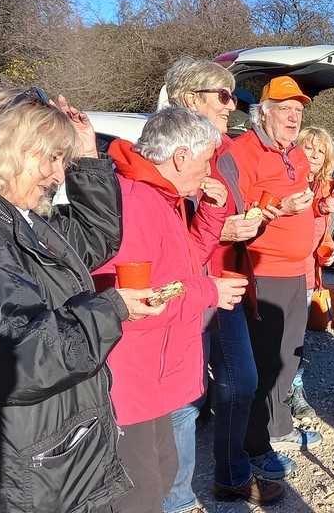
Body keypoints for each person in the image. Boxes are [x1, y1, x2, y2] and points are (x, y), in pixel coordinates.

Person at [0, 87, 163, 512]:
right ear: (5, 149)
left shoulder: (7, 215)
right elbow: (22, 357)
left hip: (52, 457)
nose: (59, 175)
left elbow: (92, 242)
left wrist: (88, 157)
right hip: (29, 475)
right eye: (51, 158)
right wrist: (111, 310)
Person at [93, 106, 248, 513]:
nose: (208, 171)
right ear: (181, 157)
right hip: (132, 378)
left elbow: (183, 262)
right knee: (137, 494)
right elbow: (137, 301)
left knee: (162, 475)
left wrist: (211, 212)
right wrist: (208, 290)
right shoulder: (135, 202)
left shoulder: (161, 196)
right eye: (205, 160)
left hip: (154, 375)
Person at [162, 57, 283, 506]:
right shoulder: (165, 149)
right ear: (189, 98)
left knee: (241, 381)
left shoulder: (223, 151)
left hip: (225, 284)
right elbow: (160, 226)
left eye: (233, 96)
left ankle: (231, 475)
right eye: (224, 95)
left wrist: (253, 220)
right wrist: (221, 228)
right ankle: (176, 500)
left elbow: (229, 211)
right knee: (185, 400)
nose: (232, 105)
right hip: (183, 288)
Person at [231, 76, 323, 479]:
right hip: (263, 270)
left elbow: (301, 202)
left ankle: (279, 427)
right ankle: (254, 446)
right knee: (262, 362)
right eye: (284, 109)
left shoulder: (295, 153)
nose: (293, 117)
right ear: (263, 113)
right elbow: (233, 216)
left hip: (296, 270)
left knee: (289, 357)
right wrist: (279, 210)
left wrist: (317, 209)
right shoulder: (244, 152)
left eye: (298, 110)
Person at [292, 126, 334, 419]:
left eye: (320, 151)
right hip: (281, 271)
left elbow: (323, 232)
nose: (314, 154)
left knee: (297, 337)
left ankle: (294, 390)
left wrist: (329, 248)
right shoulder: (288, 181)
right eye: (308, 147)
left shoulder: (325, 187)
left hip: (309, 272)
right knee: (276, 336)